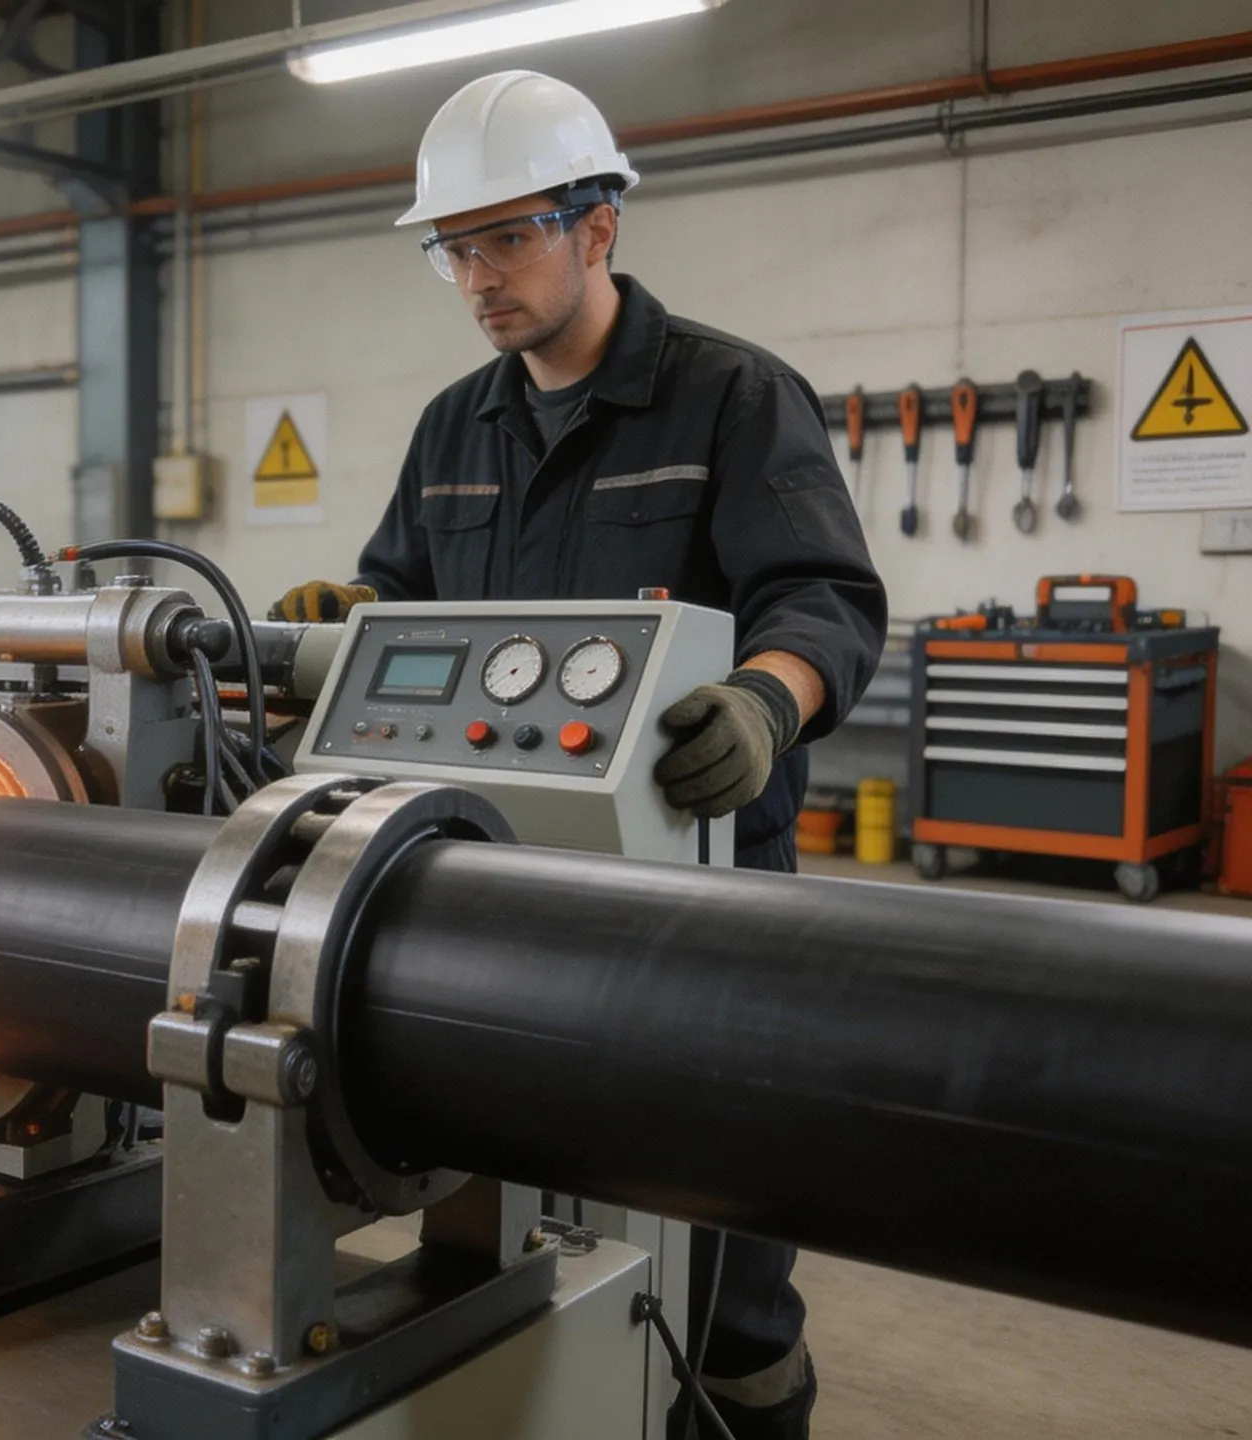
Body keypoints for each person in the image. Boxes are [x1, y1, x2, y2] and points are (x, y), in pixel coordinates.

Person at [271, 71, 886, 1440]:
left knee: (720, 1283)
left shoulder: (731, 399)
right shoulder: (454, 429)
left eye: (507, 237)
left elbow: (826, 603)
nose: (476, 276)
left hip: (700, 916)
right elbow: (401, 605)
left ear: (599, 226)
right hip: (490, 901)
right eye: (453, 248)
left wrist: (764, 706)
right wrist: (337, 630)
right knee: (520, 1245)